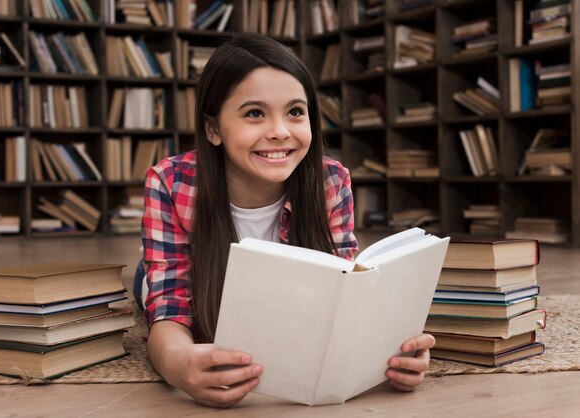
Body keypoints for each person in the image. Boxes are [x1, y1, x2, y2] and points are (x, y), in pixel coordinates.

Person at [135, 32, 435, 408]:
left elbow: (347, 295)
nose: (280, 132)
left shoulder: (331, 180)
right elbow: (170, 308)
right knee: (148, 290)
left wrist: (396, 352)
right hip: (192, 275)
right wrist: (179, 364)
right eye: (255, 113)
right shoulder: (169, 182)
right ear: (213, 129)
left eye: (295, 111)